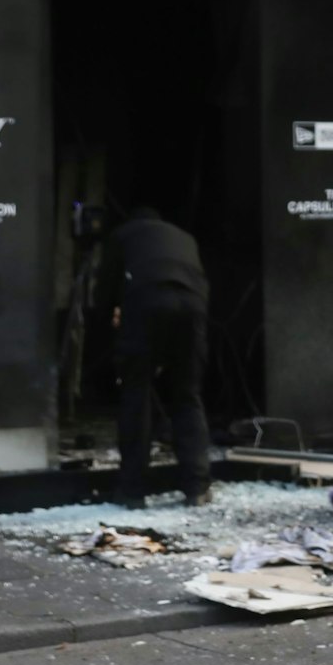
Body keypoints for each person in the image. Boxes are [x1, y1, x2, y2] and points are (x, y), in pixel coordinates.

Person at [103, 206, 214, 506]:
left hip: (145, 300)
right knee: (187, 394)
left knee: (136, 392)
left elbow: (105, 287)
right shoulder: (184, 237)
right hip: (192, 304)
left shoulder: (123, 235)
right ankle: (197, 486)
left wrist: (113, 324)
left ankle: (132, 490)